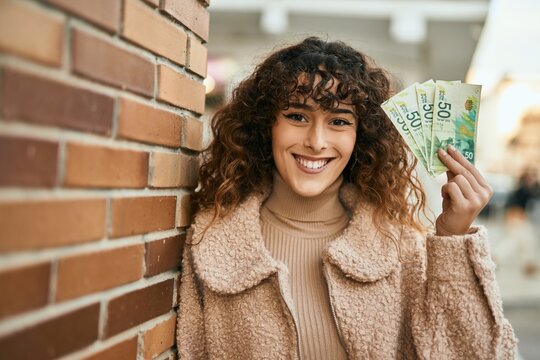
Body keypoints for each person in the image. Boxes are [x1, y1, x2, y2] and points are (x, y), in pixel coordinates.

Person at [177, 37, 517, 359]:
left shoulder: (398, 246)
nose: (316, 141)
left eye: (338, 121)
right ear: (266, 125)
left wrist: (454, 238)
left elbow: (468, 351)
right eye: (297, 116)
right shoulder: (210, 242)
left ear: (361, 138)